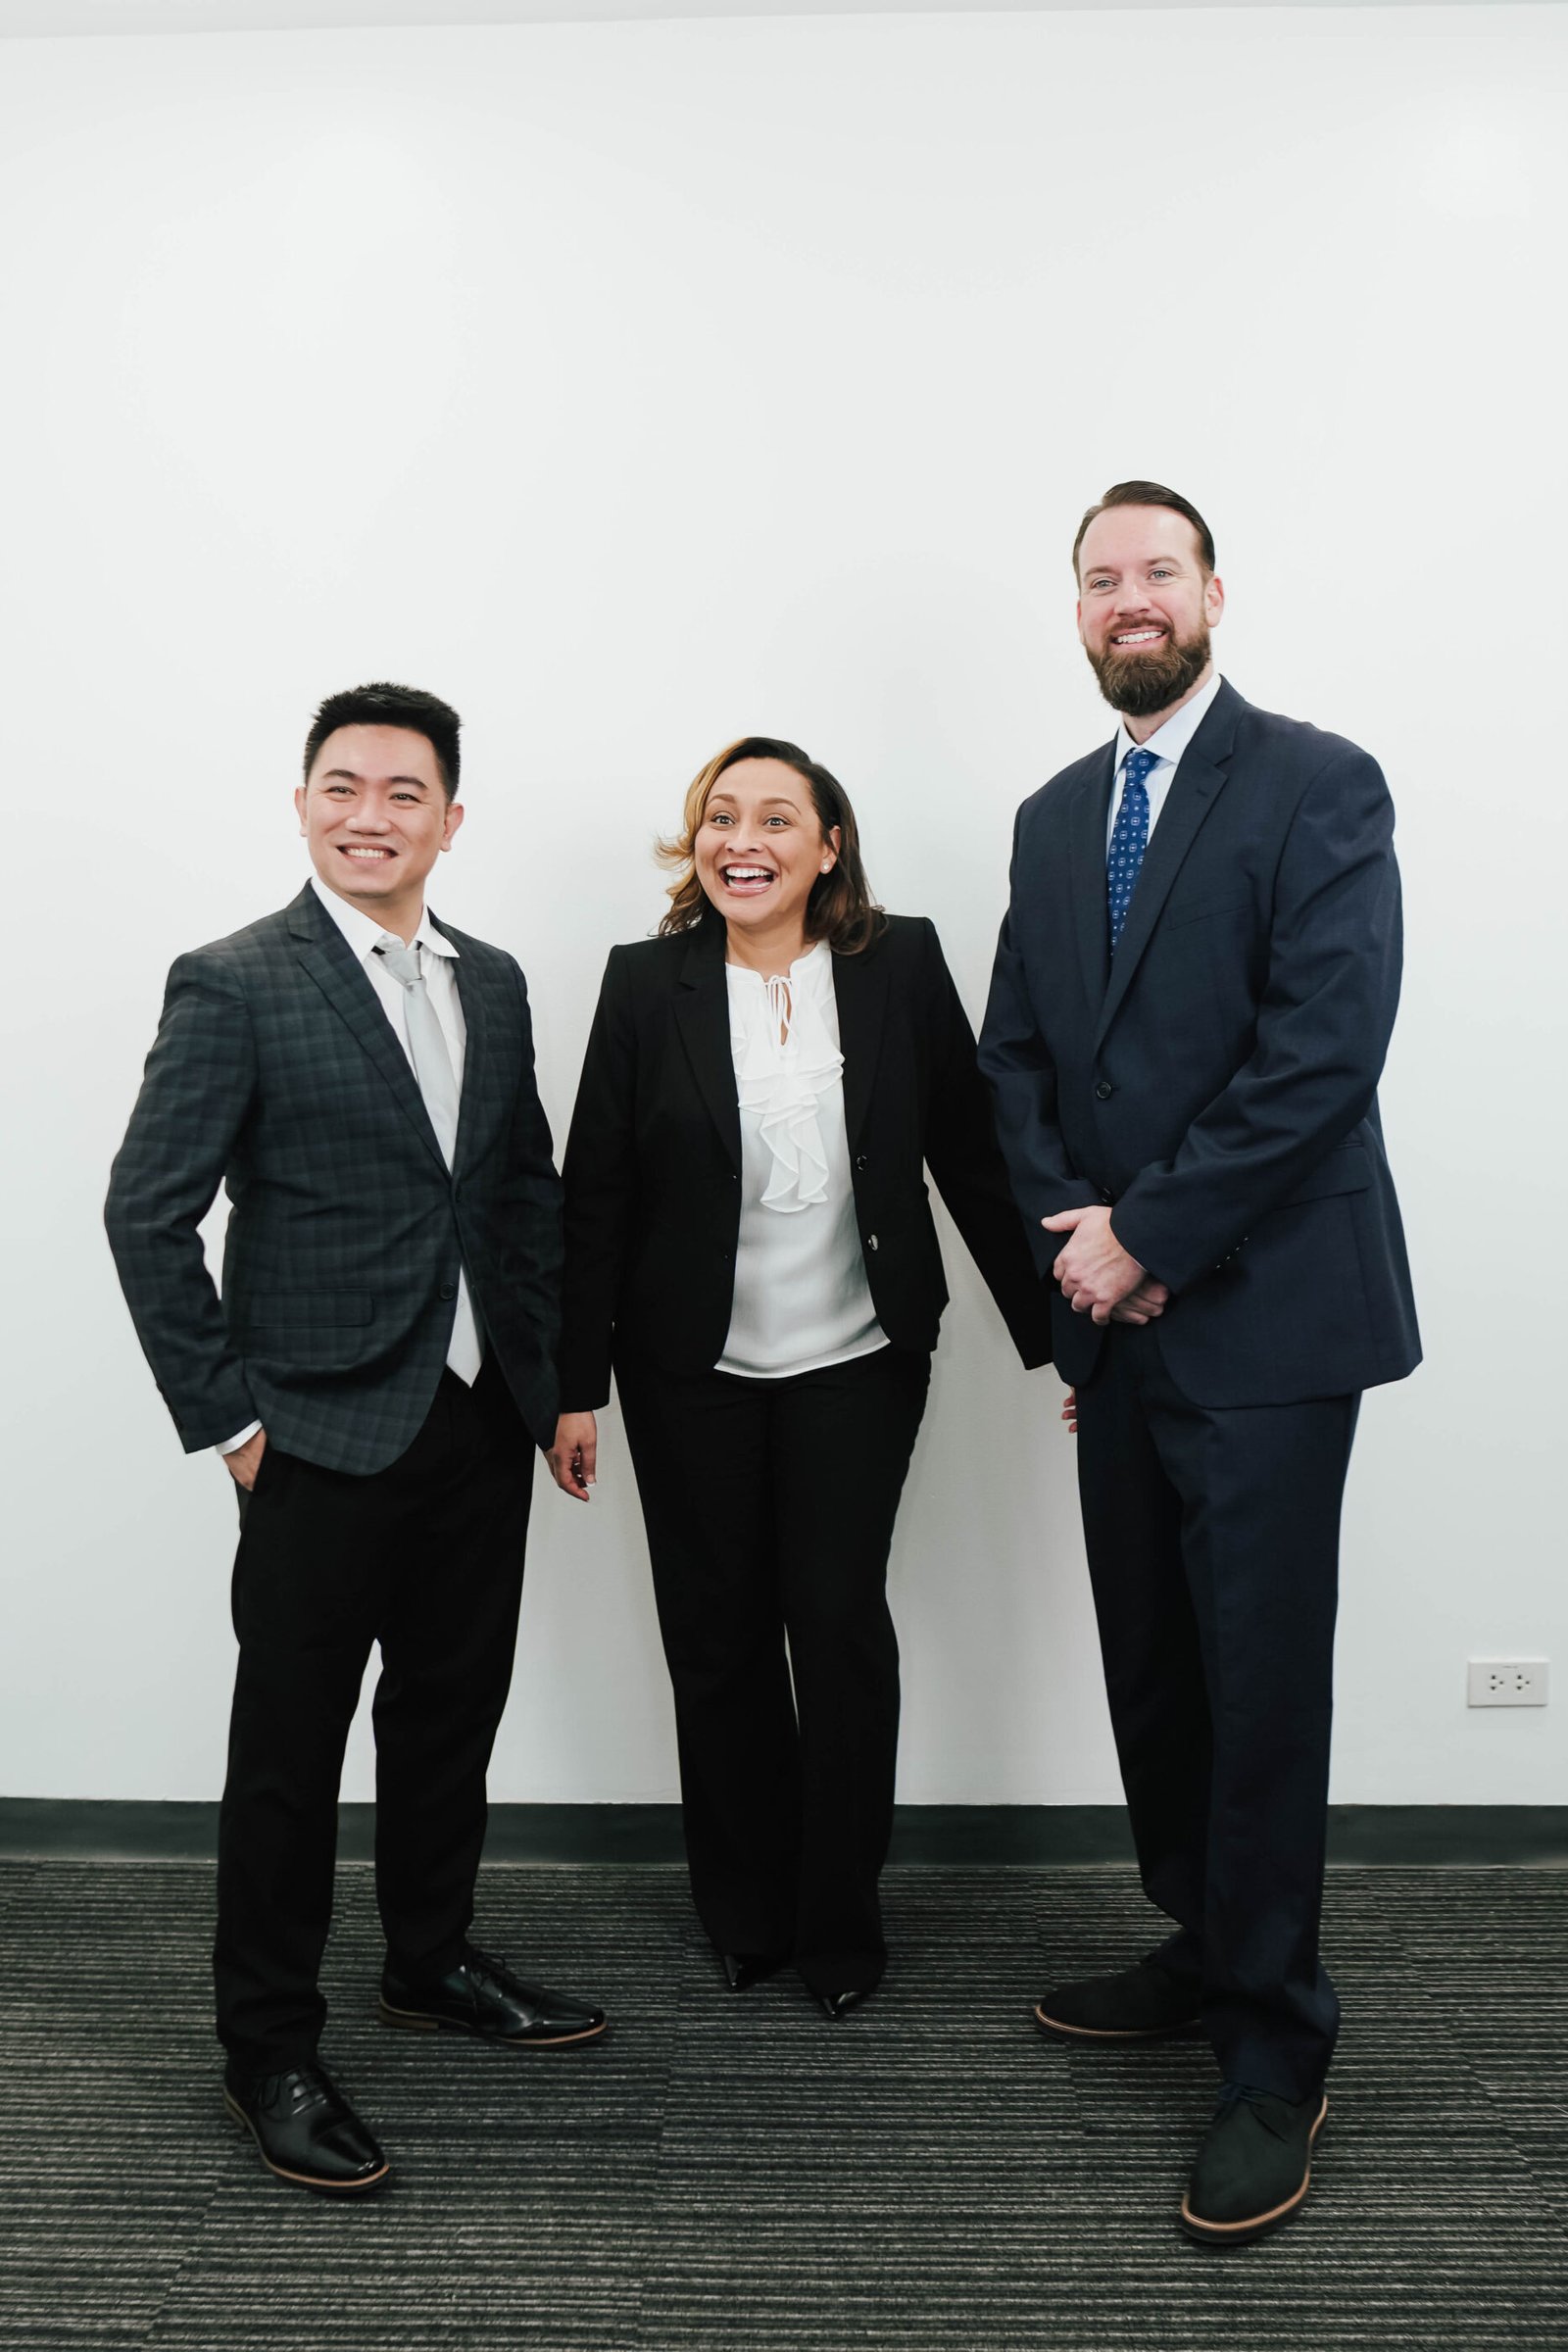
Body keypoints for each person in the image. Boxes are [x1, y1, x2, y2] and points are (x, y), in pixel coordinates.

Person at [979, 485, 1420, 2246]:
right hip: (1116, 1320)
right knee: (1154, 1665)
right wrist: (1080, 1251)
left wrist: (1146, 1234)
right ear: (1079, 612)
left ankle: (1275, 2044)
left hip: (1268, 1322)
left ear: (1214, 592)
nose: (1130, 600)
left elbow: (1325, 1050)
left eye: (1158, 571)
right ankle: (1202, 1938)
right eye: (1102, 579)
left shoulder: (1319, 782)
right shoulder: (1049, 815)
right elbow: (1016, 1061)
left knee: (1258, 1684)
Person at [105, 682, 607, 2197]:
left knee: (451, 1715)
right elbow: (146, 1214)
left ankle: (428, 1960)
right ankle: (267, 2046)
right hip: (314, 1433)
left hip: (478, 1421)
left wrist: (554, 1388)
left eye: (402, 793)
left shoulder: (494, 982)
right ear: (302, 803)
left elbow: (520, 1194)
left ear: (450, 819)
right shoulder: (235, 981)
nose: (368, 815)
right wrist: (231, 1424)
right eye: (342, 785)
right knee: (289, 1756)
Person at [548, 735, 1049, 2017]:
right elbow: (596, 1188)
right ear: (698, 844)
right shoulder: (645, 982)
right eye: (723, 816)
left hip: (858, 1361)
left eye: (778, 818)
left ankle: (840, 1920)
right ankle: (747, 1912)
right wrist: (574, 1383)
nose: (744, 840)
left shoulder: (899, 965)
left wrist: (1066, 1338)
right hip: (688, 1368)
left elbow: (970, 1154)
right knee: (715, 1640)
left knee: (835, 1629)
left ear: (830, 847)